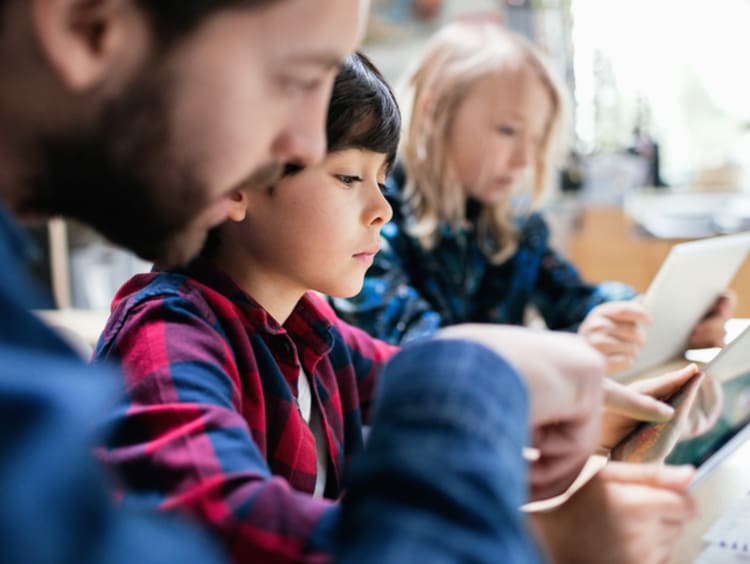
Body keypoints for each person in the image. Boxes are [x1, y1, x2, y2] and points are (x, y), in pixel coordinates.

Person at [94, 52, 696, 563]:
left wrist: (586, 413)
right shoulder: (164, 333)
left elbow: (418, 375)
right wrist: (538, 538)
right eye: (349, 177)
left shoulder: (311, 329)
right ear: (234, 184)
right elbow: (223, 525)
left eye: (382, 178)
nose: (381, 208)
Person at [0, 0, 369, 561]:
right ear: (88, 26)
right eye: (292, 80)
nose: (307, 146)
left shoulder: (308, 327)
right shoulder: (167, 323)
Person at [329, 20, 734, 376]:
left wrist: (649, 317)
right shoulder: (373, 215)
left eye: (537, 140)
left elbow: (577, 301)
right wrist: (568, 350)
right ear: (435, 114)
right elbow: (414, 344)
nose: (525, 159)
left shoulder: (515, 224)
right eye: (507, 131)